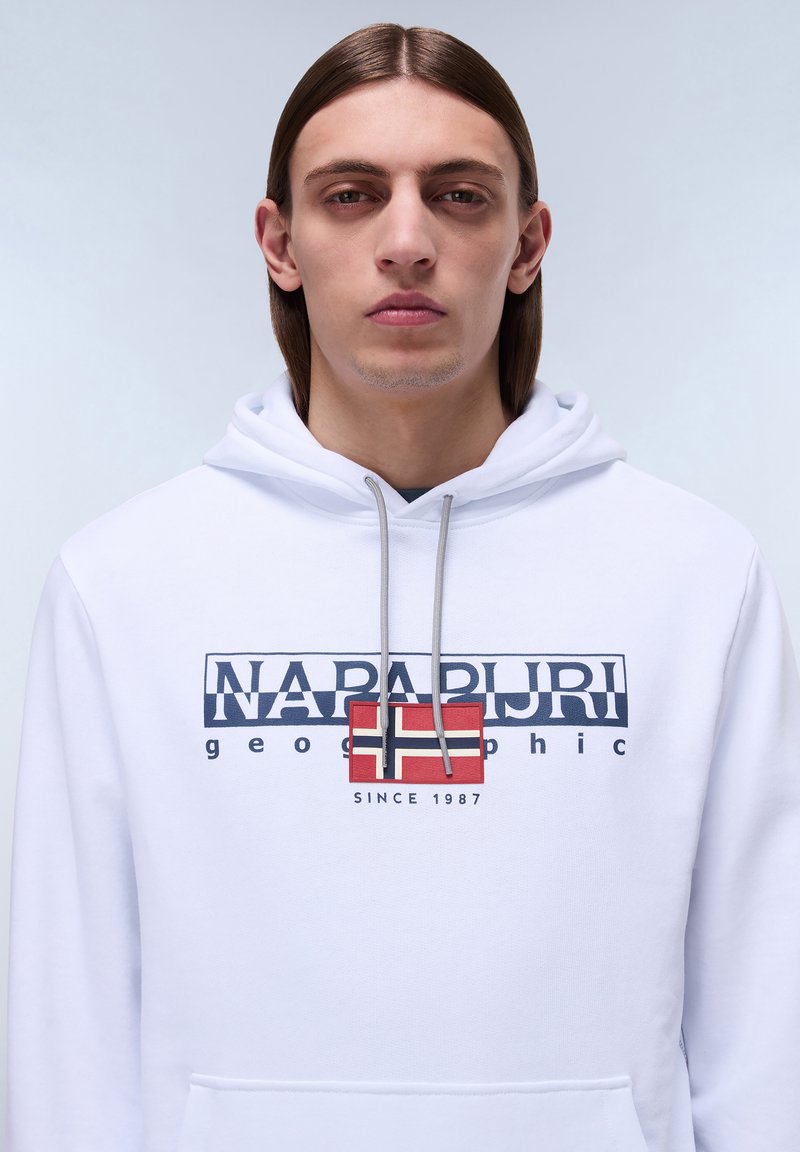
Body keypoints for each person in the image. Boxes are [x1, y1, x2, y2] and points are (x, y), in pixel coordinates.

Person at [7, 22, 800, 1152]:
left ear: (527, 243)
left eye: (459, 196)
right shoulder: (122, 585)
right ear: (279, 242)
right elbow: (68, 1036)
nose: (407, 241)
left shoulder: (696, 577)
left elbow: (765, 1032)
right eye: (352, 196)